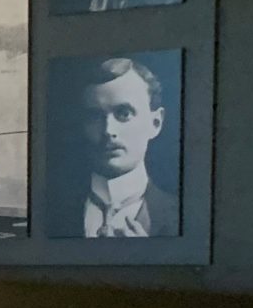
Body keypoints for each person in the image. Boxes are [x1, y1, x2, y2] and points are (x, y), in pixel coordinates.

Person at [72, 57, 177, 236]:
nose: (108, 130)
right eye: (95, 116)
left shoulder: (182, 215)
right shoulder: (51, 212)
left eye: (124, 113)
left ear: (155, 123)